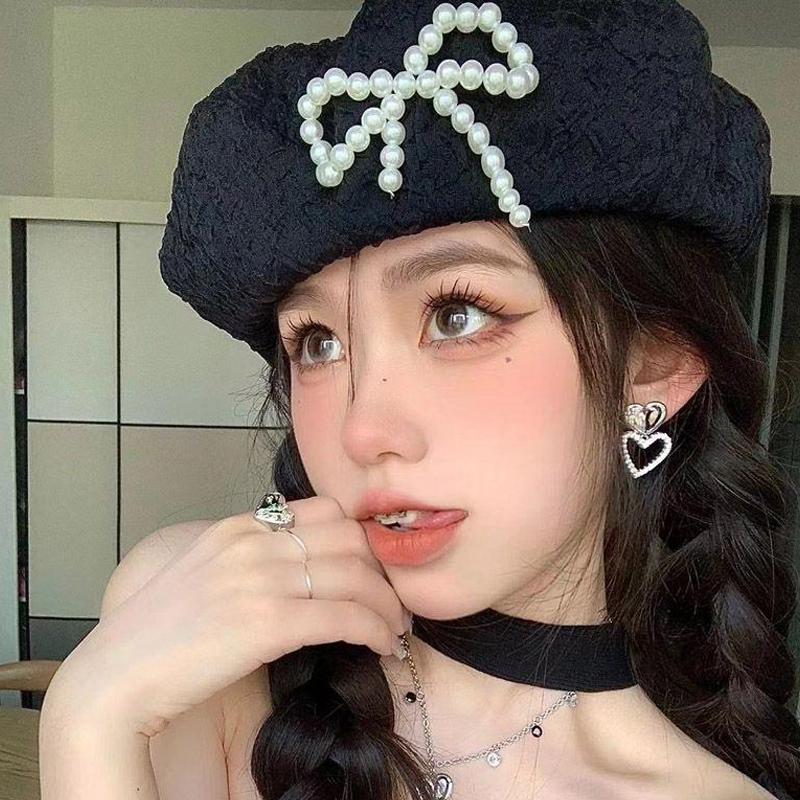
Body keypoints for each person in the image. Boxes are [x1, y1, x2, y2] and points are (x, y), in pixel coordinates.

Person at [38, 1, 799, 798]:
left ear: (653, 366)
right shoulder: (193, 630)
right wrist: (90, 716)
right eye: (317, 342)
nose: (363, 429)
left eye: (457, 315)